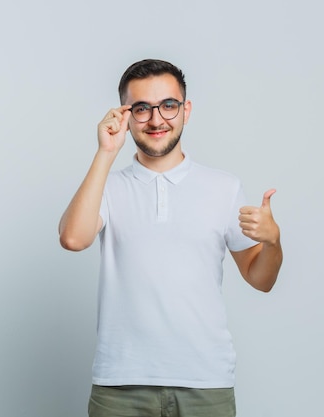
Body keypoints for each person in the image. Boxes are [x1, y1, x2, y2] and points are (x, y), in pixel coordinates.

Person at [58, 59, 283, 417]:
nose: (156, 119)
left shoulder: (223, 187)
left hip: (205, 381)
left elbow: (261, 279)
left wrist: (273, 242)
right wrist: (106, 152)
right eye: (142, 108)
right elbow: (73, 238)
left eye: (168, 105)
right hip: (120, 383)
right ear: (125, 115)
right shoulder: (108, 187)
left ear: (185, 110)